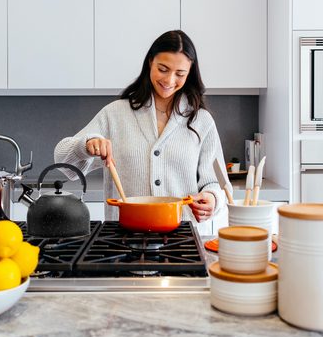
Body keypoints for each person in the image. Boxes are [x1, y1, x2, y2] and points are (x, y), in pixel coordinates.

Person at [54, 30, 230, 233]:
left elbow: (215, 183)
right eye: (163, 69)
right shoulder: (116, 114)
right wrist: (86, 145)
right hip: (123, 239)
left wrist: (211, 199)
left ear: (189, 74)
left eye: (180, 74)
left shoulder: (201, 121)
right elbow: (64, 163)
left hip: (183, 239)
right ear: (150, 63)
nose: (170, 80)